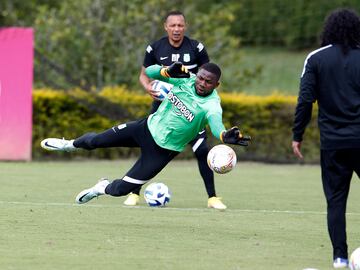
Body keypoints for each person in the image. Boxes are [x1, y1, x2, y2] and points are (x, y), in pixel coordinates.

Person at [41, 62, 251, 208]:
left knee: (122, 189)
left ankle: (100, 188)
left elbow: (216, 125)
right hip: (144, 129)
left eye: (208, 82)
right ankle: (69, 144)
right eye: (201, 78)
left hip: (162, 152)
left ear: (217, 85)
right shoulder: (185, 79)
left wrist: (224, 136)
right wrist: (167, 71)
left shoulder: (212, 105)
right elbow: (149, 72)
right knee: (96, 140)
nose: (202, 83)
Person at [130, 10, 224, 209]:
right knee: (148, 148)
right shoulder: (155, 47)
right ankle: (133, 192)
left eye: (180, 25)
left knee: (202, 150)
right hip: (164, 107)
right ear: (166, 27)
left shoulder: (196, 47)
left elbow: (208, 75)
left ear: (185, 27)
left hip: (191, 110)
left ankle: (212, 197)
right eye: (172, 25)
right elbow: (144, 74)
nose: (176, 29)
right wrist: (148, 87)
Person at [292, 8, 360, 269]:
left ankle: (340, 258)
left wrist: (297, 135)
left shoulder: (316, 58)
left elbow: (305, 101)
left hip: (333, 144)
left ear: (328, 29)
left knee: (336, 201)